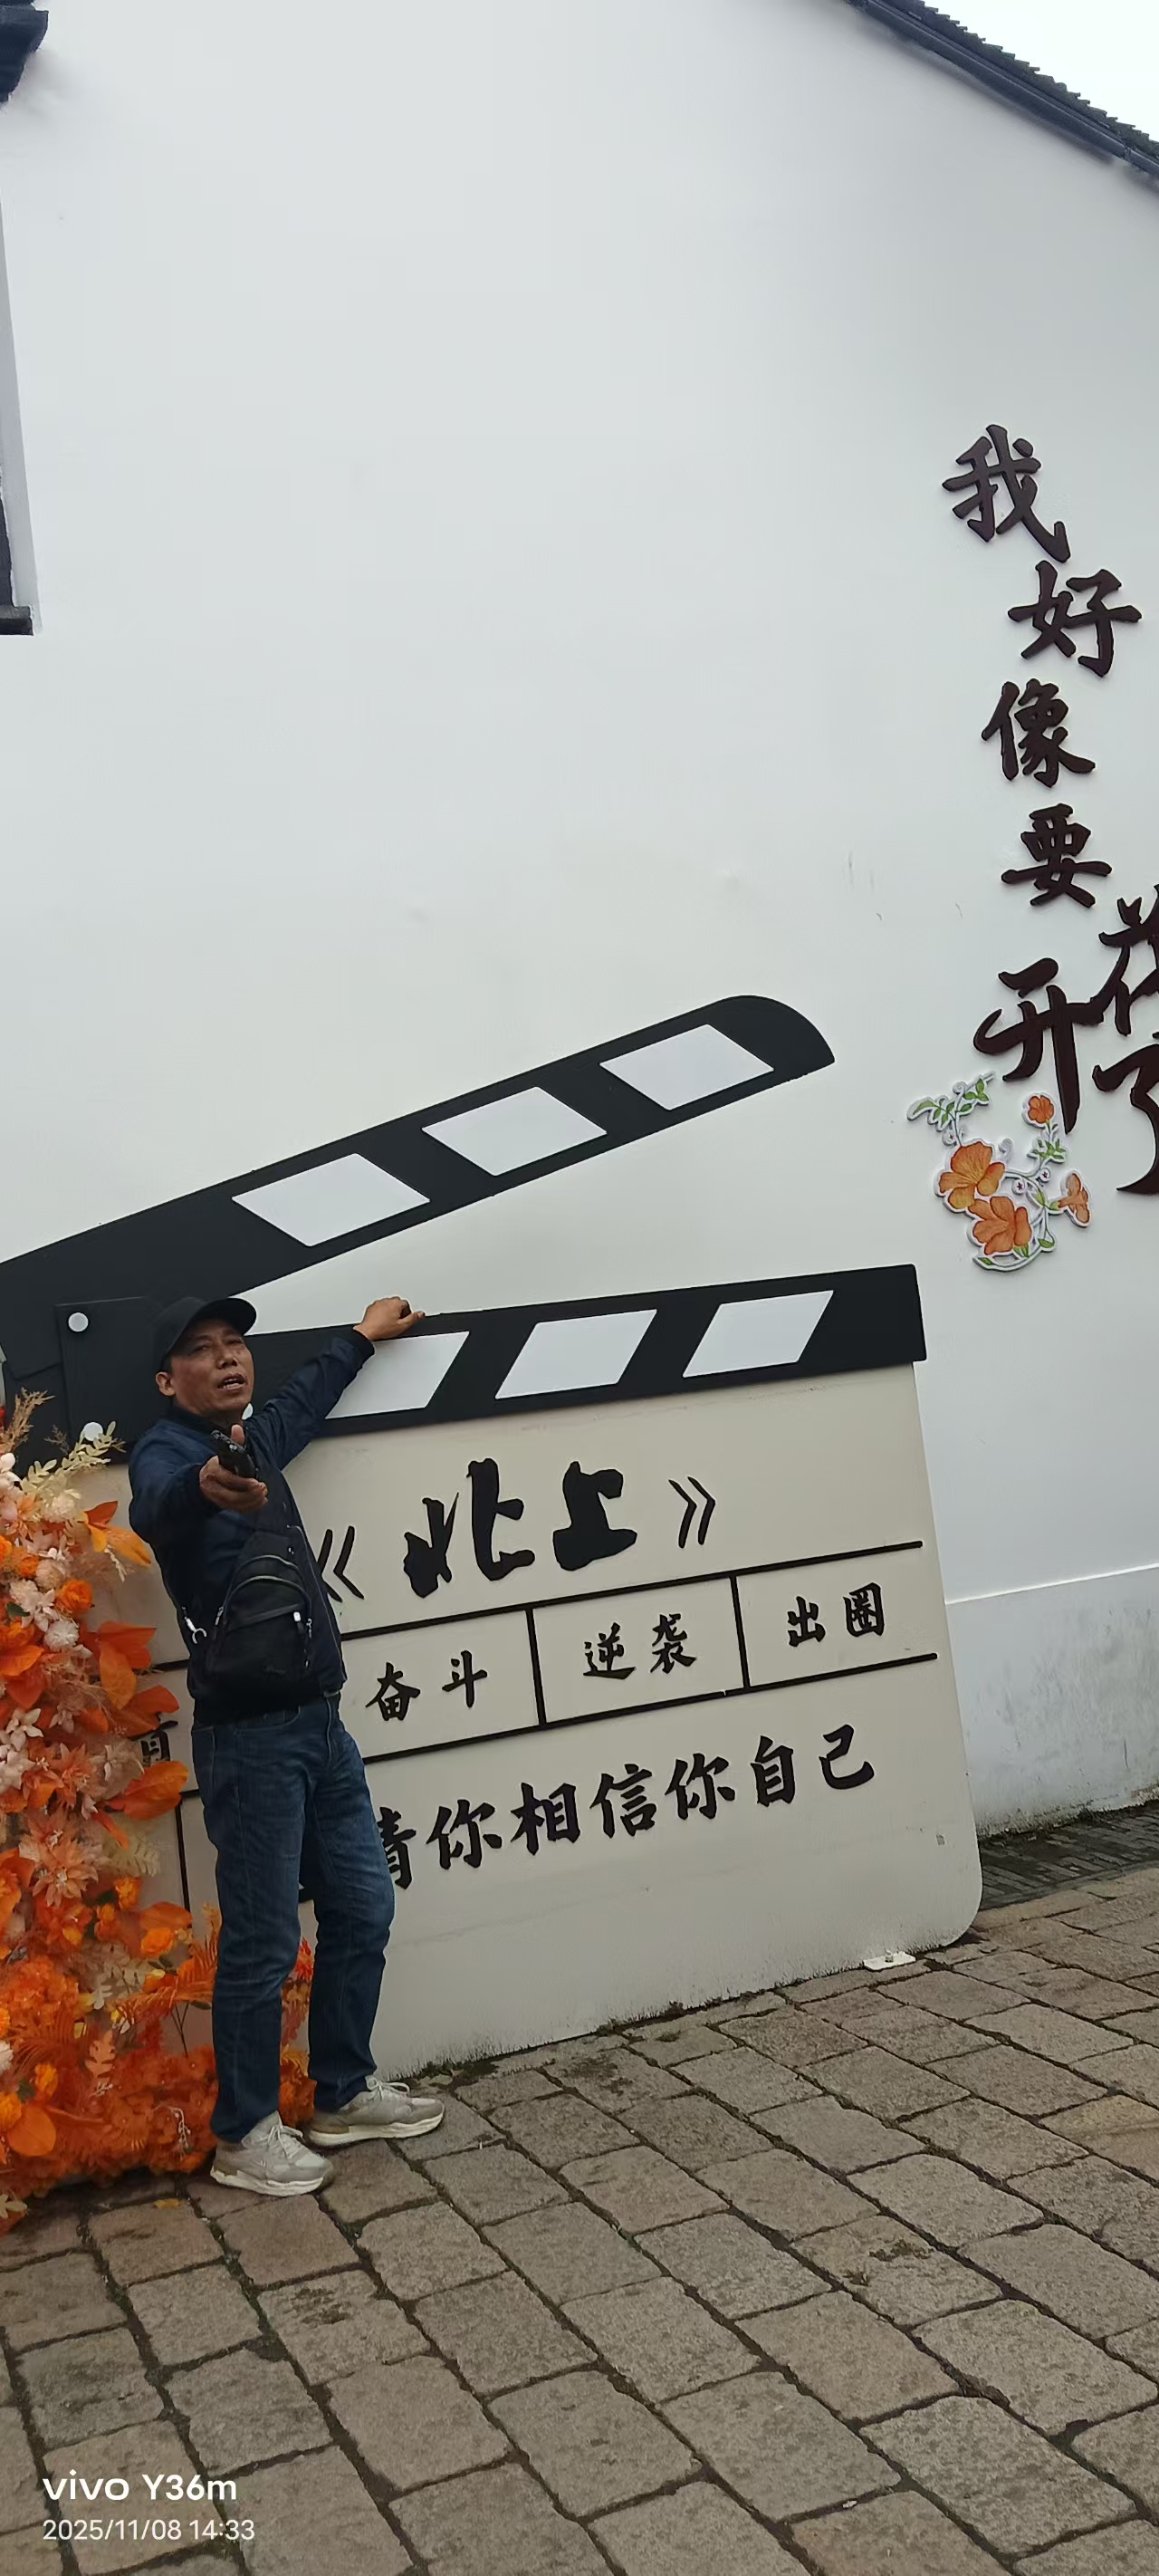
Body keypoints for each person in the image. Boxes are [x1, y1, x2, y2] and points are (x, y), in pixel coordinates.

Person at [129, 1291, 444, 2196]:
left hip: (322, 1723)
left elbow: (303, 1398)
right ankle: (244, 2134)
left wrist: (361, 1338)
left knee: (363, 1906)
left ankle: (342, 2092)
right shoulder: (168, 1453)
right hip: (251, 1740)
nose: (227, 1358)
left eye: (235, 1343)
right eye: (202, 1349)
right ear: (167, 1380)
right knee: (264, 1942)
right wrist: (206, 1485)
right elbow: (156, 1506)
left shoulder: (256, 1440)